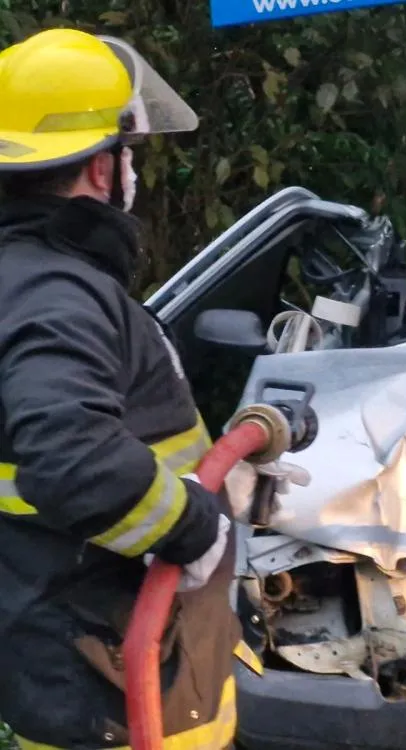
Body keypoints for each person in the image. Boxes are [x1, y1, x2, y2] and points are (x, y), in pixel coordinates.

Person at [0, 29, 241, 749]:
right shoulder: (57, 293)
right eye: (128, 153)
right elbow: (71, 456)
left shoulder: (22, 278)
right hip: (118, 671)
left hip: (63, 652)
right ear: (103, 169)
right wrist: (196, 528)